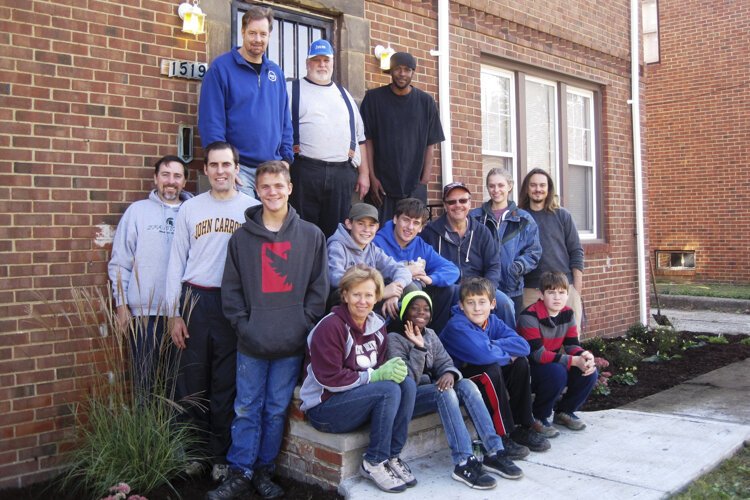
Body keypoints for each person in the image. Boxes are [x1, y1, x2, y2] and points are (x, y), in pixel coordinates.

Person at [207, 161, 329, 500]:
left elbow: (319, 289)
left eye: (279, 185)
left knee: (276, 410)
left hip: (290, 342)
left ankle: (263, 470)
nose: (273, 192)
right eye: (266, 187)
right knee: (246, 407)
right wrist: (243, 327)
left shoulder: (311, 235)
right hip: (251, 342)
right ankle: (240, 471)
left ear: (290, 188)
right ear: (256, 191)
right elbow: (230, 290)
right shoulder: (242, 238)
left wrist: (302, 325)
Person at [165, 142, 259, 479]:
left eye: (227, 165)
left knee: (226, 384)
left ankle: (221, 455)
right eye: (214, 165)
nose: (221, 171)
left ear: (237, 169)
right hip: (195, 300)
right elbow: (175, 261)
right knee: (191, 381)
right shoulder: (191, 209)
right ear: (205, 170)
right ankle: (194, 453)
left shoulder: (252, 209)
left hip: (233, 304)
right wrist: (174, 312)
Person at [388, 291, 523, 489]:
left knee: (466, 384)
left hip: (431, 390)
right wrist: (418, 348)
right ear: (404, 313)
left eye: (426, 309)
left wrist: (450, 373)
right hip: (409, 398)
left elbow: (445, 362)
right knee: (444, 391)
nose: (421, 313)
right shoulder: (395, 338)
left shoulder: (431, 335)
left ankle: (493, 450)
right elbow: (407, 381)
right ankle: (463, 462)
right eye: (414, 309)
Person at [299, 265, 417, 494]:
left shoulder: (377, 325)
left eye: (369, 295)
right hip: (325, 407)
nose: (363, 301)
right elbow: (330, 379)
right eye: (356, 294)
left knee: (407, 384)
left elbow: (380, 367)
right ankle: (374, 461)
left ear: (377, 297)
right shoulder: (331, 326)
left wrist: (393, 370)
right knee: (387, 390)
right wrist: (374, 376)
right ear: (345, 295)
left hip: (356, 401)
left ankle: (391, 456)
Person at [439, 277, 551, 456]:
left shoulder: (492, 321)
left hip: (485, 367)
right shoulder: (457, 325)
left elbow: (523, 346)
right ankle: (501, 434)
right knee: (489, 369)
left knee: (520, 363)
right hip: (458, 377)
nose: (477, 308)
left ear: (492, 304)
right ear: (461, 305)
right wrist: (498, 351)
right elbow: (484, 355)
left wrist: (490, 343)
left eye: (482, 302)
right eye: (471, 303)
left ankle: (521, 426)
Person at [108, 155, 191, 395]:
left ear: (184, 181)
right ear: (155, 179)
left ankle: (174, 433)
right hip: (145, 315)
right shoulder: (137, 212)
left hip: (184, 314)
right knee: (145, 385)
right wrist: (121, 304)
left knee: (179, 387)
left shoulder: (193, 212)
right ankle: (148, 432)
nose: (171, 181)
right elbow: (120, 262)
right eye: (165, 175)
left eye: (177, 176)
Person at [198, 6, 293, 198]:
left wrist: (286, 159)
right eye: (252, 33)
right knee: (243, 226)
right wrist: (225, 167)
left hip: (272, 168)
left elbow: (284, 120)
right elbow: (211, 122)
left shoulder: (276, 72)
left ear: (269, 36)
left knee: (270, 226)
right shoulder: (221, 68)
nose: (258, 39)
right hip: (240, 171)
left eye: (263, 34)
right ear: (242, 32)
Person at [289, 39, 370, 237]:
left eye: (326, 60)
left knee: (337, 235)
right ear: (308, 63)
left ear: (333, 63)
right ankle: (305, 269)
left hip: (342, 174)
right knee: (302, 233)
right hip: (304, 172)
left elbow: (360, 138)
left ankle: (332, 269)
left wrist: (364, 174)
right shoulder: (291, 90)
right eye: (316, 60)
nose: (322, 64)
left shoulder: (345, 96)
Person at [360, 51, 445, 220]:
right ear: (390, 71)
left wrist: (424, 181)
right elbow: (366, 140)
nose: (402, 74)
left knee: (410, 237)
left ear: (413, 72)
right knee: (378, 237)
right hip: (381, 186)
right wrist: (372, 176)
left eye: (407, 69)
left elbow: (431, 144)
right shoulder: (373, 99)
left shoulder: (426, 102)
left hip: (413, 187)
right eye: (398, 69)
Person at [421, 182, 516, 330]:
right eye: (452, 202)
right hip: (445, 289)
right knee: (451, 293)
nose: (458, 205)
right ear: (445, 206)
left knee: (505, 303)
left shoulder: (482, 232)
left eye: (463, 200)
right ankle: (439, 346)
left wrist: (487, 290)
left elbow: (493, 265)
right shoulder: (430, 233)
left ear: (470, 203)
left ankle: (511, 347)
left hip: (478, 289)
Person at [516, 271, 597, 436]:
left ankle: (565, 412)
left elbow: (572, 345)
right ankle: (538, 416)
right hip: (529, 369)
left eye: (561, 292)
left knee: (589, 370)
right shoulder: (528, 316)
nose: (557, 297)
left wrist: (584, 356)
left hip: (550, 363)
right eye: (551, 292)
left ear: (568, 294)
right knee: (557, 372)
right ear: (540, 294)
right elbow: (538, 355)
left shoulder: (567, 313)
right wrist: (573, 360)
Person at [372, 197, 458, 333]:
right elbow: (369, 277)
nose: (410, 227)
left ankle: (434, 337)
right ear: (395, 219)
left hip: (412, 299)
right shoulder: (377, 242)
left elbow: (452, 270)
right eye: (406, 220)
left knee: (449, 290)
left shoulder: (420, 245)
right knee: (414, 287)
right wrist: (407, 271)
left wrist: (430, 278)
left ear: (420, 228)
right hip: (383, 297)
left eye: (416, 223)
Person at [471, 168, 542, 319]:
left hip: (512, 289)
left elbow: (534, 252)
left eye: (500, 185)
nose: (496, 190)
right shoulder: (475, 217)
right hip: (481, 288)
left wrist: (515, 268)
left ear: (510, 186)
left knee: (508, 334)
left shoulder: (524, 219)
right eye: (491, 186)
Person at [518, 168, 584, 327]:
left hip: (563, 289)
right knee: (534, 343)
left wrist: (576, 291)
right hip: (530, 290)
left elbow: (576, 251)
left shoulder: (562, 215)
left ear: (549, 189)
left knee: (569, 342)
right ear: (527, 189)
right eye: (533, 185)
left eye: (542, 185)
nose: (538, 189)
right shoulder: (519, 218)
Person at [327, 203, 412, 319]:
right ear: (349, 224)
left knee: (410, 287)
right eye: (361, 224)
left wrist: (395, 290)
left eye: (371, 225)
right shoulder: (337, 246)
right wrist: (379, 293)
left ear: (377, 227)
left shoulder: (372, 249)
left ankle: (407, 332)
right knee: (341, 292)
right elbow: (334, 277)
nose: (367, 230)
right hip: (346, 304)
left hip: (370, 300)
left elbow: (401, 270)